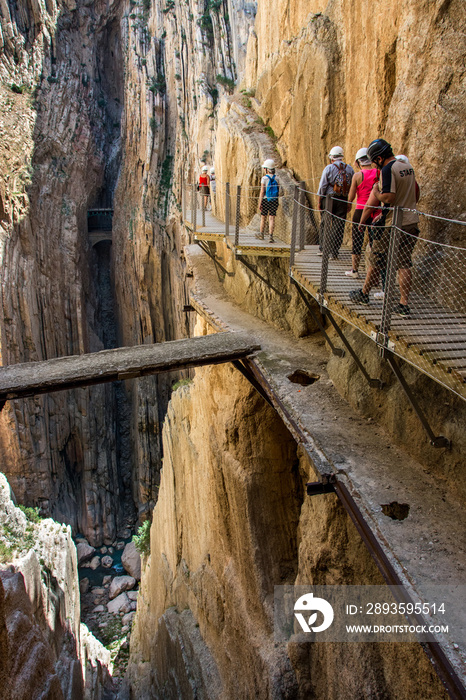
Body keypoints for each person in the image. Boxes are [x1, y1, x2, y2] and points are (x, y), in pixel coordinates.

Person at [349, 139, 420, 316]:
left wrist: (376, 193)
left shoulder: (388, 170)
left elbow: (388, 197)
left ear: (380, 158)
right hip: (411, 221)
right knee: (404, 262)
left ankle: (364, 294)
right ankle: (403, 304)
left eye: (375, 161)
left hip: (392, 224)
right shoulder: (407, 167)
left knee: (376, 259)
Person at [345, 148, 379, 278]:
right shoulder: (378, 173)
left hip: (360, 210)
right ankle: (374, 274)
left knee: (357, 241)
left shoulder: (358, 176)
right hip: (375, 211)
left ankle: (355, 270)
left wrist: (348, 206)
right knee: (374, 243)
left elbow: (351, 196)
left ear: (358, 162)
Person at [317, 146, 355, 258]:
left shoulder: (328, 168)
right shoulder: (349, 169)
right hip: (342, 198)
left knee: (325, 223)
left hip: (329, 198)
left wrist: (319, 200)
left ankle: (323, 248)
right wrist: (349, 202)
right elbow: (352, 187)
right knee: (339, 225)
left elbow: (322, 186)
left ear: (331, 157)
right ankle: (334, 251)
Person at [257, 159, 280, 243]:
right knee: (272, 218)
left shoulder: (264, 179)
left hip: (266, 200)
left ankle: (261, 234)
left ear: (266, 169)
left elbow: (262, 191)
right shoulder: (277, 178)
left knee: (263, 217)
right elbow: (278, 189)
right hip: (274, 200)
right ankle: (271, 236)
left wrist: (260, 203)